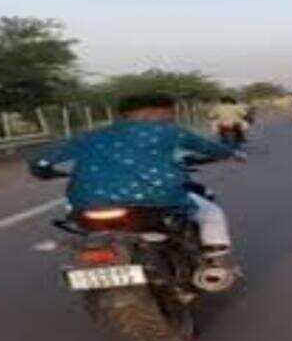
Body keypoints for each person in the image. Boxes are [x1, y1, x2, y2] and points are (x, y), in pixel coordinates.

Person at [28, 93, 245, 272]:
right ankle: (214, 263)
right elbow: (210, 149)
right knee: (210, 212)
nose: (172, 118)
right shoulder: (169, 132)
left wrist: (46, 173)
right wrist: (231, 153)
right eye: (169, 113)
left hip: (87, 205)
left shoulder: (90, 136)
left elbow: (40, 162)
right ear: (153, 112)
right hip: (157, 201)